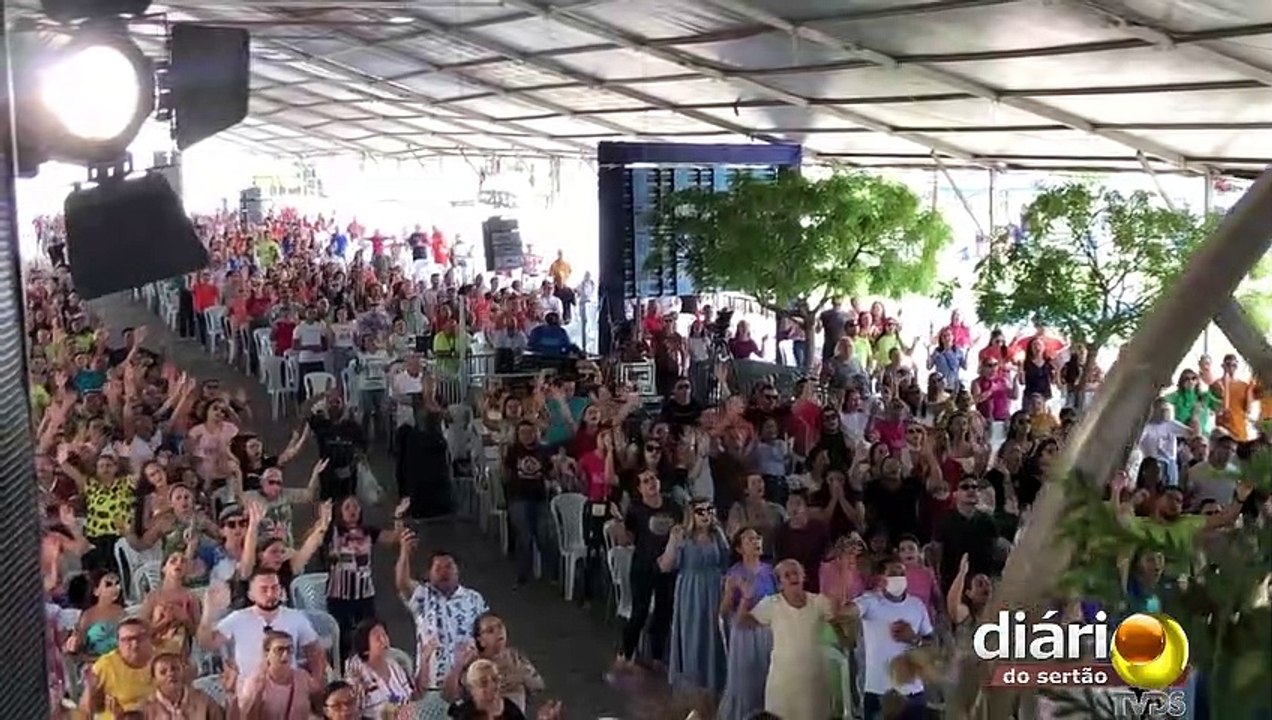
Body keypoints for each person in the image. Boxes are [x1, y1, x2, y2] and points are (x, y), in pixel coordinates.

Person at [196, 570, 327, 693]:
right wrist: (208, 612)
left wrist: (315, 682)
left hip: (287, 690)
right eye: (264, 589)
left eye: (274, 588)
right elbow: (207, 643)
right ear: (251, 595)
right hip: (249, 690)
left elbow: (315, 652)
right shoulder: (238, 618)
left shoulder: (296, 617)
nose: (270, 594)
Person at [746, 559, 837, 720]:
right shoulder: (771, 604)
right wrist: (745, 599)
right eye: (786, 575)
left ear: (803, 576)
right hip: (783, 682)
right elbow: (744, 621)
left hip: (814, 680)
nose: (792, 577)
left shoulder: (819, 602)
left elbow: (839, 622)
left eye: (796, 573)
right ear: (780, 583)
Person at [397, 532, 489, 688]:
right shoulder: (423, 596)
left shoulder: (474, 598)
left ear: (457, 570)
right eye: (438, 568)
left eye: (449, 567)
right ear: (429, 574)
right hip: (431, 682)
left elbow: (486, 635)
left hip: (469, 681)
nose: (444, 572)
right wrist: (404, 552)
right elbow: (402, 583)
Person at [614, 470, 681, 676]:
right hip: (643, 565)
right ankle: (625, 655)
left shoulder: (673, 507)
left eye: (653, 478)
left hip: (667, 567)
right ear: (640, 488)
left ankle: (657, 657)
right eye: (645, 481)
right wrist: (618, 522)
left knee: (664, 612)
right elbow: (627, 540)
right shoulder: (635, 509)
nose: (651, 483)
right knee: (639, 612)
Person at [851, 556, 935, 720]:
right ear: (882, 578)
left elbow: (932, 644)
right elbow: (848, 611)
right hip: (878, 691)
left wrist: (913, 638)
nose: (899, 577)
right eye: (893, 573)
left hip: (913, 692)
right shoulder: (870, 602)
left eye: (901, 572)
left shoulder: (917, 605)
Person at [662, 498, 729, 693]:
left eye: (710, 510)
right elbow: (666, 566)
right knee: (692, 633)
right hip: (690, 591)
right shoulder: (682, 536)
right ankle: (692, 683)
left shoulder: (718, 535)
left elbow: (725, 563)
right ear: (691, 514)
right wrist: (673, 542)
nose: (706, 514)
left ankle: (714, 681)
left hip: (714, 588)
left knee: (713, 634)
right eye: (701, 511)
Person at [717, 527, 777, 720]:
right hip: (744, 632)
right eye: (749, 539)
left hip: (767, 630)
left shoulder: (770, 571)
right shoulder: (734, 574)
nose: (756, 542)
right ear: (739, 548)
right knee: (745, 679)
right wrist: (733, 592)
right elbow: (724, 611)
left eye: (758, 537)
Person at [80, 617, 154, 718]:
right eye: (128, 640)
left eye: (140, 638)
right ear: (118, 643)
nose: (135, 644)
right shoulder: (106, 665)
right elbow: (85, 711)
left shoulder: (162, 660)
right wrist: (90, 689)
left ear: (150, 638)